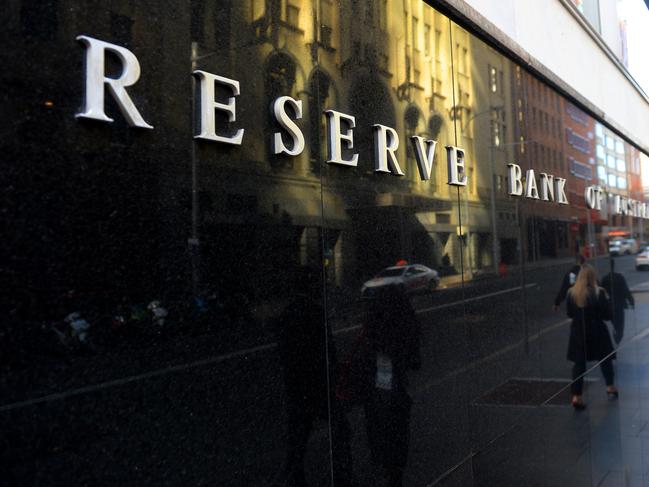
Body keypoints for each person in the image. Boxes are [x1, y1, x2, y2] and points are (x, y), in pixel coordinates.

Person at [361, 285, 421, 487]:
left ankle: (384, 467)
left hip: (376, 391)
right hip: (393, 391)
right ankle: (393, 474)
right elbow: (414, 359)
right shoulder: (403, 321)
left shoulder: (375, 323)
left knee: (381, 432)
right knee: (396, 433)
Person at [566, 264, 617, 410]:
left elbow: (569, 313)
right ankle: (610, 387)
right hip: (597, 332)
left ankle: (576, 396)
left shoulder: (571, 293)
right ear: (593, 277)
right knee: (605, 360)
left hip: (578, 333)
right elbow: (607, 315)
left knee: (579, 364)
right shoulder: (599, 292)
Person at [601, 258, 634, 344]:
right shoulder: (620, 277)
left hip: (610, 305)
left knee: (615, 323)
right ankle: (617, 337)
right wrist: (631, 301)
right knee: (620, 325)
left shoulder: (605, 279)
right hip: (619, 305)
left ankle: (616, 335)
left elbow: (601, 293)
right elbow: (626, 290)